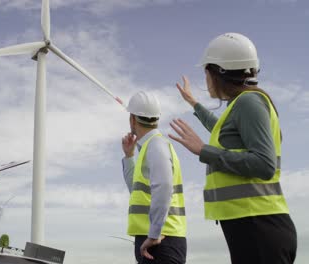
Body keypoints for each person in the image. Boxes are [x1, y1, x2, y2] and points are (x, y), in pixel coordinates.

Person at [169, 33, 297, 264]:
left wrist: (203, 150)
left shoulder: (248, 102)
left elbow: (264, 165)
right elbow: (225, 131)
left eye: (206, 72)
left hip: (259, 226)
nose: (205, 78)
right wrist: (194, 103)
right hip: (252, 225)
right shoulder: (243, 103)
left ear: (219, 72)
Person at [122, 91, 187, 264]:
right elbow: (136, 190)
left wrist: (154, 233)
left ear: (133, 119)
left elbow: (164, 186)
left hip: (161, 240)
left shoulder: (156, 145)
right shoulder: (150, 148)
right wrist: (129, 157)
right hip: (155, 238)